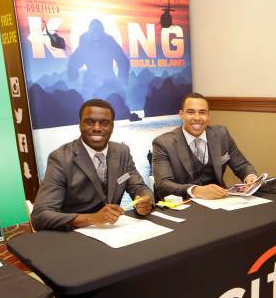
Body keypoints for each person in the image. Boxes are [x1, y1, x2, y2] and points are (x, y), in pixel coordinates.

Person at [31, 99, 153, 231]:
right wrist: (92, 218)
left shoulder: (123, 152)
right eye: (89, 122)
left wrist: (145, 201)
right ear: (80, 125)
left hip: (115, 233)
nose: (96, 128)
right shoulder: (60, 158)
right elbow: (40, 216)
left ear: (112, 126)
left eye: (104, 123)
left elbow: (139, 187)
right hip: (74, 236)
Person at [152, 92, 257, 200]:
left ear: (208, 115)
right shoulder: (163, 143)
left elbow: (242, 165)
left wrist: (250, 177)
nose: (197, 118)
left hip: (220, 202)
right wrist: (195, 191)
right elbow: (163, 185)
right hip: (183, 205)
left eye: (202, 112)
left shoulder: (222, 134)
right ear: (181, 114)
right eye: (191, 112)